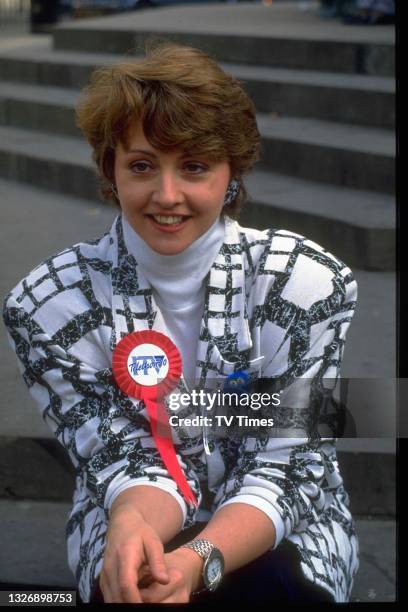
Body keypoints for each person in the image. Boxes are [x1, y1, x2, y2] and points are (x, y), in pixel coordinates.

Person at [3, 42, 359, 604]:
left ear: (232, 173)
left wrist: (201, 560)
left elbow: (289, 460)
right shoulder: (48, 304)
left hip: (283, 524)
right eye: (142, 165)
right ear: (110, 170)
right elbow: (121, 454)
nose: (167, 196)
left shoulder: (305, 283)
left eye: (194, 166)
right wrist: (130, 526)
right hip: (134, 517)